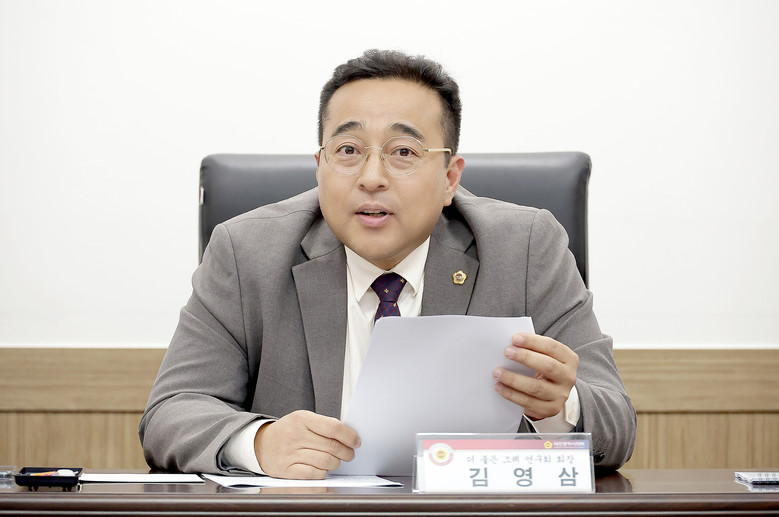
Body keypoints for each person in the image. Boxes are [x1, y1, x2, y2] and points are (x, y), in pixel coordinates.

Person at [139, 49, 636, 479]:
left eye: (402, 152)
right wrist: (259, 442)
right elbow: (170, 413)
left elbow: (617, 422)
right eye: (348, 150)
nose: (372, 177)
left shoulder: (524, 248)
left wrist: (561, 407)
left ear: (450, 178)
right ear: (320, 167)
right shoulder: (246, 252)